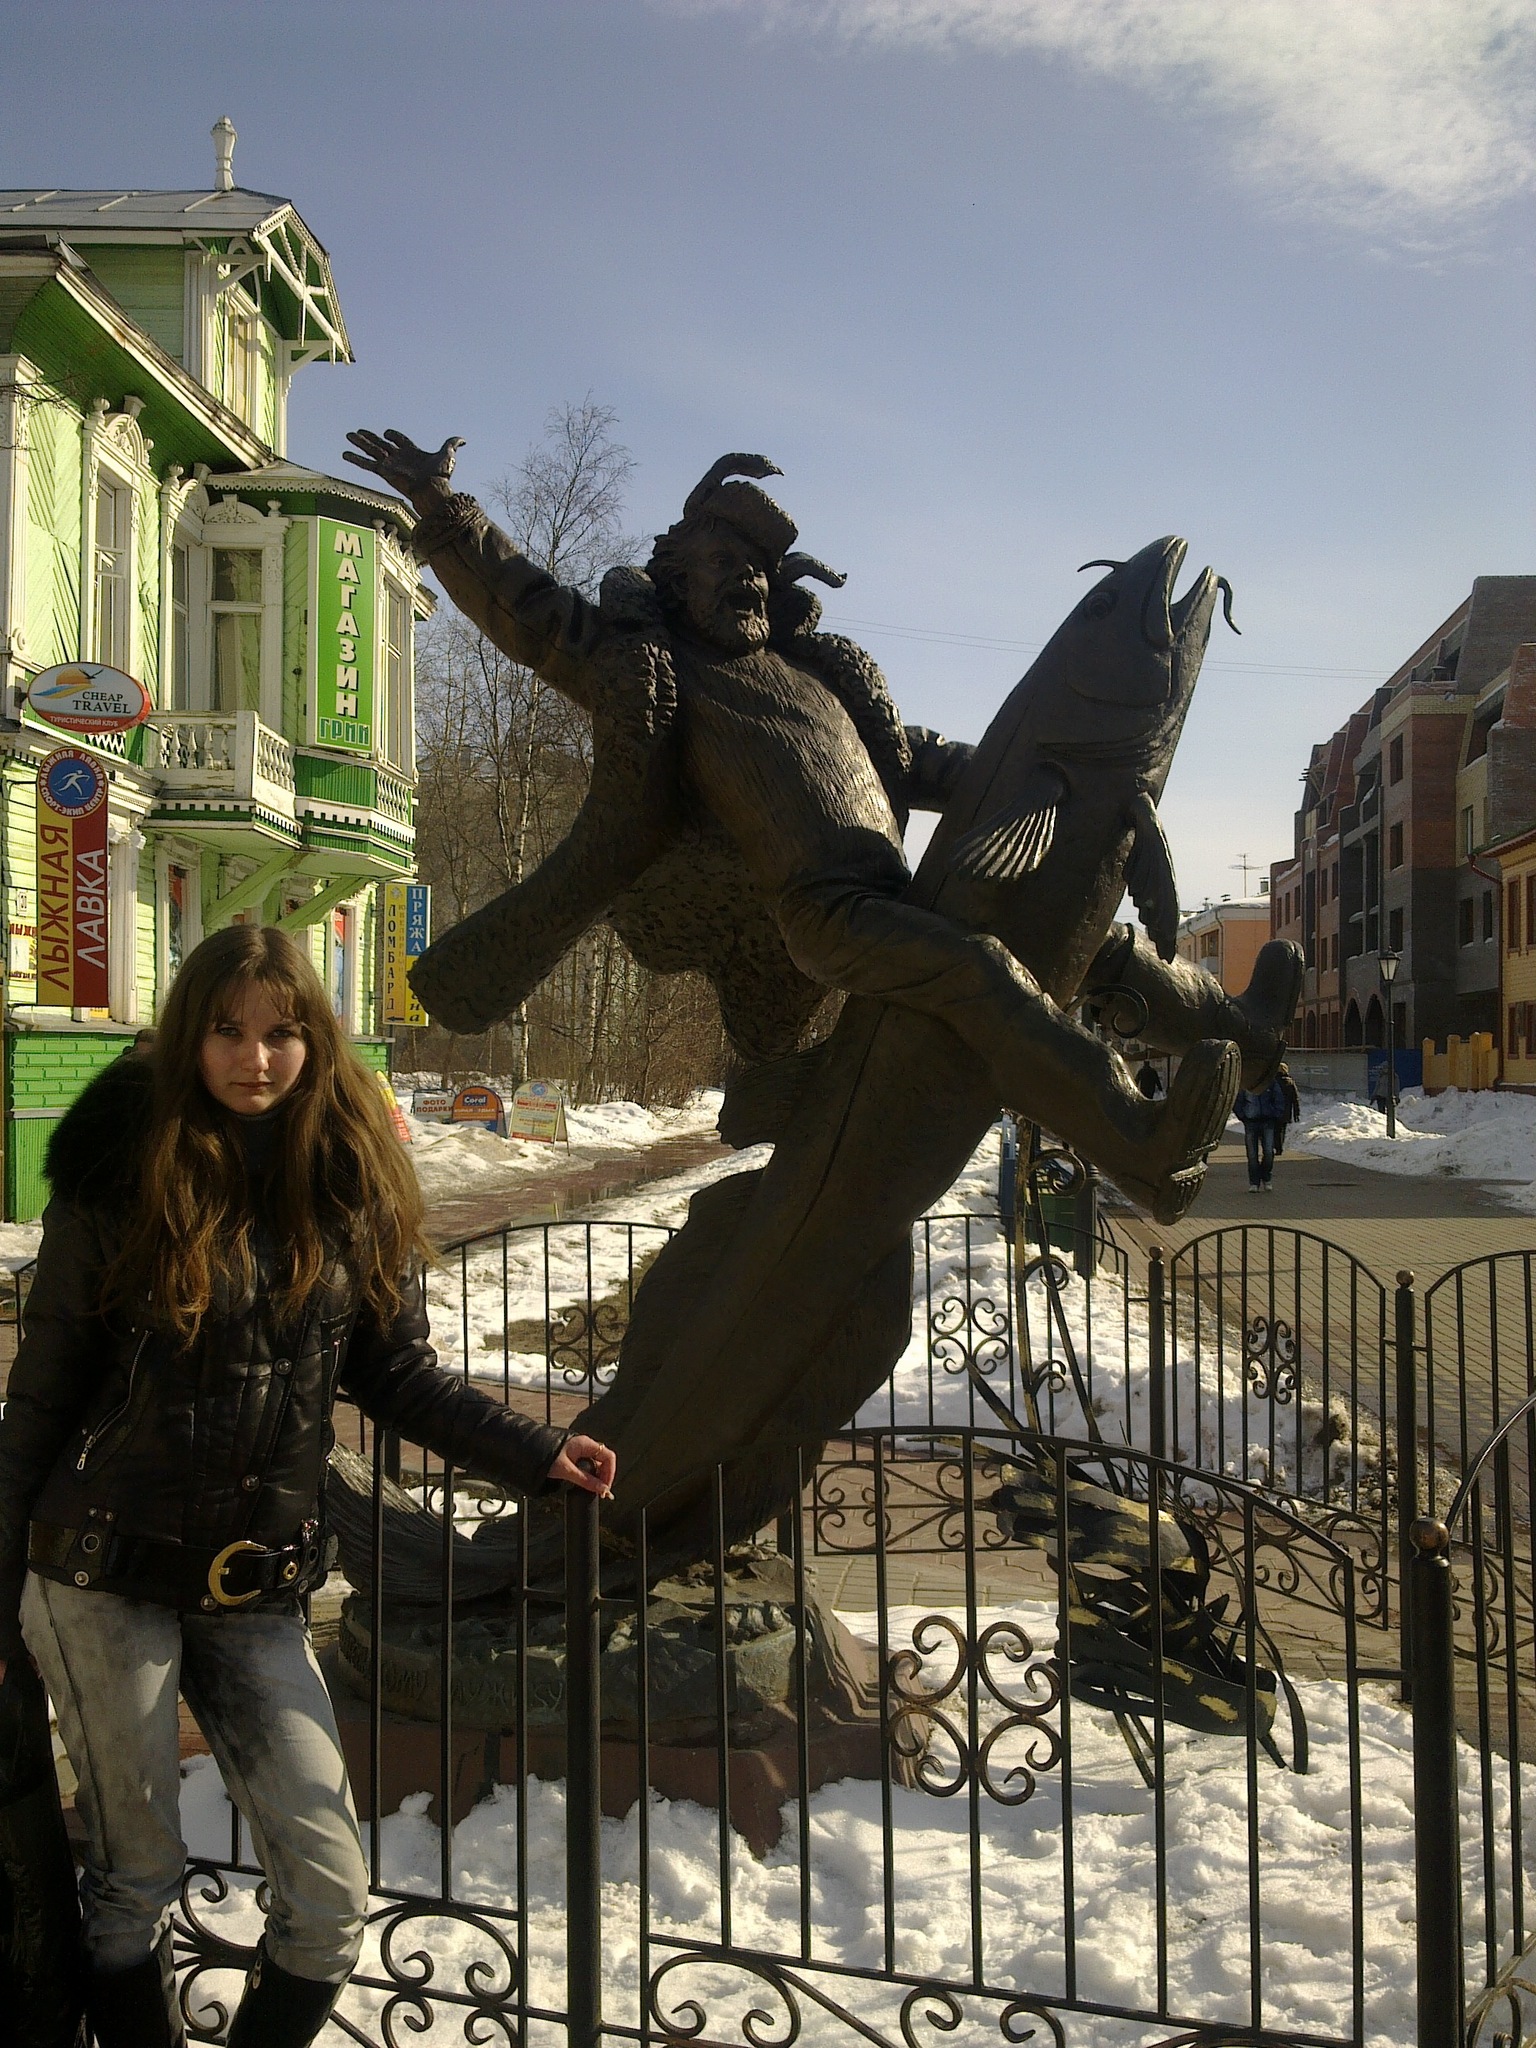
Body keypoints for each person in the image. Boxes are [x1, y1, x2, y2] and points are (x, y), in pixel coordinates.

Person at [342, 431, 1294, 1220]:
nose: (748, 583)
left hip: (898, 897)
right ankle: (1136, 1145)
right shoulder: (660, 670)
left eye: (758, 570)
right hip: (827, 914)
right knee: (980, 970)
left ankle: (1242, 1033)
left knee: (1092, 943)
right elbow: (532, 612)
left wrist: (1059, 775)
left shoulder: (815, 678)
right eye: (723, 565)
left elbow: (924, 759)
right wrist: (445, 509)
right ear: (675, 580)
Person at [0, 926, 616, 2047]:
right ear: (190, 1036)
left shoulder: (347, 1179)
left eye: (281, 1031)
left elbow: (396, 1372)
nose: (255, 1057)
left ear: (315, 1039)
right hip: (102, 1569)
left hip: (254, 1585)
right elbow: (41, 1398)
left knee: (331, 1898)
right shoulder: (121, 1172)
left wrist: (533, 1450)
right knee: (134, 1878)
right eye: (227, 1030)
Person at [1234, 1071, 1296, 1192]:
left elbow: (1279, 1099)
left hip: (1268, 1121)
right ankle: (1254, 1182)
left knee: (1268, 1152)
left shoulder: (1270, 1083)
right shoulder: (1246, 1084)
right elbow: (1238, 1102)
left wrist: (1275, 1114)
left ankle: (1266, 1177)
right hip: (1251, 1122)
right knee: (1252, 1154)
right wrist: (1243, 1116)